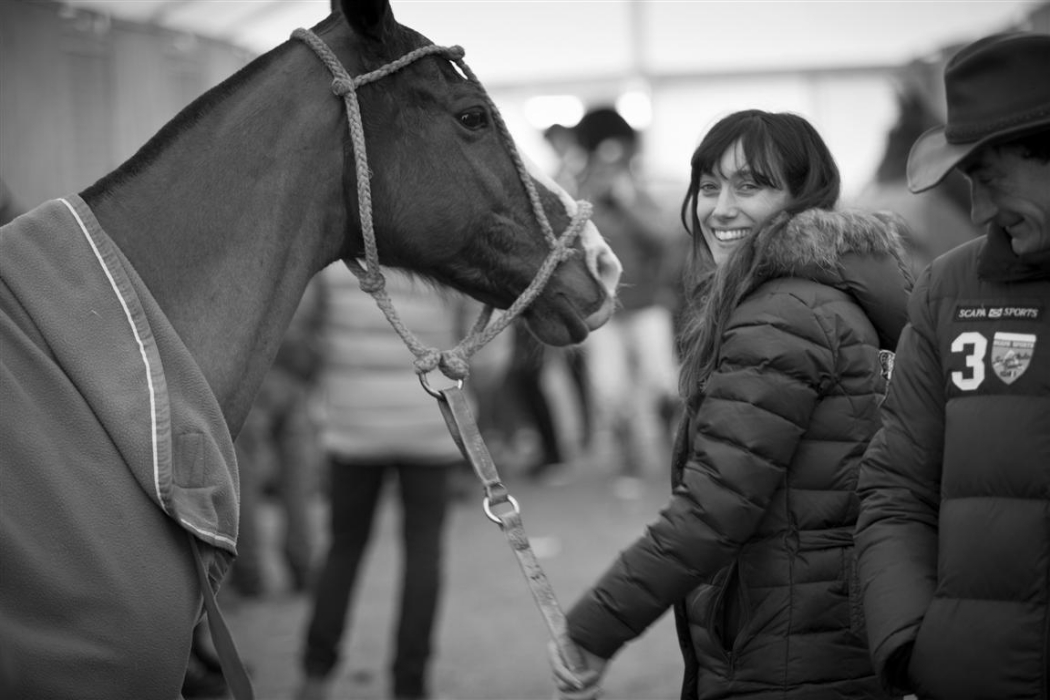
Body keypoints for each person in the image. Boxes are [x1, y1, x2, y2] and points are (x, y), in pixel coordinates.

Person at [549, 109, 912, 699]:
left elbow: (715, 507)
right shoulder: (820, 296)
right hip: (817, 623)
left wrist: (594, 628)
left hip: (793, 642)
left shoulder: (782, 315)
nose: (720, 209)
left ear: (804, 194)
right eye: (710, 186)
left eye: (751, 186)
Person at [854, 32, 1050, 699]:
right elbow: (894, 489)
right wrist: (910, 647)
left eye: (991, 178)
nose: (979, 211)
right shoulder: (947, 290)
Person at [295, 265, 470, 700]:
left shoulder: (340, 255)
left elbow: (301, 331)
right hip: (431, 421)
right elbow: (480, 340)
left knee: (344, 547)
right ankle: (410, 684)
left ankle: (315, 674)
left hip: (352, 424)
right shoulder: (445, 248)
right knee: (424, 551)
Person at [572, 107, 682, 485]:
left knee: (662, 382)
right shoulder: (577, 197)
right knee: (609, 389)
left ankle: (673, 446)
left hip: (647, 304)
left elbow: (663, 236)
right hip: (602, 309)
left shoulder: (638, 194)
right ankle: (627, 457)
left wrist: (626, 203)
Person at [229, 278, 327, 598]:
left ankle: (250, 574)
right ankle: (301, 565)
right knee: (297, 475)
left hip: (251, 367)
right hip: (295, 369)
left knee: (245, 477)